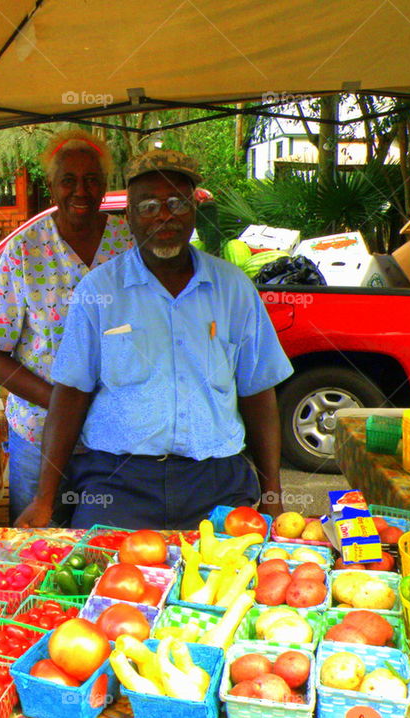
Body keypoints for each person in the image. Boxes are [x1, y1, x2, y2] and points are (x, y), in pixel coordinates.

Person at [16, 149, 293, 530]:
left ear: (193, 211)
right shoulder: (98, 291)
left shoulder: (234, 289)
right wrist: (44, 499)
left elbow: (258, 393)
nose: (164, 215)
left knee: (229, 584)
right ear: (128, 218)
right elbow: (71, 395)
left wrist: (273, 497)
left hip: (217, 480)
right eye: (147, 206)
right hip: (118, 482)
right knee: (102, 576)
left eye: (177, 202)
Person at [0, 129, 133, 524]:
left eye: (92, 179)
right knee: (36, 543)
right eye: (69, 180)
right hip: (38, 433)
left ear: (105, 185)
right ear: (52, 186)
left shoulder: (128, 245)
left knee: (105, 545)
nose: (81, 190)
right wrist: (62, 403)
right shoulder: (26, 249)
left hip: (115, 435)